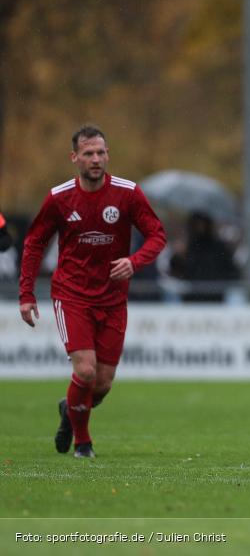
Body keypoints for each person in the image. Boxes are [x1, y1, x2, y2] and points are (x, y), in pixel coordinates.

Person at [19, 125, 167, 459]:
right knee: (85, 371)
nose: (96, 159)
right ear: (75, 158)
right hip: (71, 295)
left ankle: (69, 409)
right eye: (88, 153)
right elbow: (34, 243)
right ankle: (83, 443)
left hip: (113, 299)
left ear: (108, 155)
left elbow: (157, 235)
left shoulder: (128, 194)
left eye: (101, 152)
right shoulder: (59, 198)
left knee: (100, 386)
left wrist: (134, 261)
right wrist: (26, 293)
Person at [168, 210, 239, 302]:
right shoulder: (187, 247)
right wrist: (178, 256)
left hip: (215, 297)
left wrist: (218, 283)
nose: (200, 227)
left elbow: (232, 271)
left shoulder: (218, 247)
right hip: (191, 298)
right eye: (196, 224)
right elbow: (176, 273)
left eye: (202, 223)